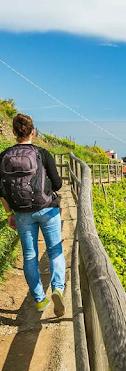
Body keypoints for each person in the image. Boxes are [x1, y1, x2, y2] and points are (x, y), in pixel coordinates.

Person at [0, 113, 65, 316]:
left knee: (30, 256)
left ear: (13, 133)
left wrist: (9, 213)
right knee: (55, 251)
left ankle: (39, 299)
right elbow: (58, 184)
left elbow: (1, 190)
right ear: (33, 132)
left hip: (21, 213)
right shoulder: (42, 154)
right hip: (47, 209)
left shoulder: (3, 156)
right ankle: (57, 289)